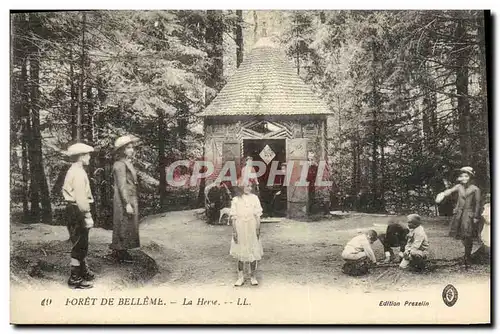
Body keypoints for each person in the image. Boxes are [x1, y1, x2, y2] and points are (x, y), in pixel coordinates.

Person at [62, 143, 96, 289]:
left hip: (74, 209)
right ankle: (74, 278)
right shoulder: (78, 173)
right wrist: (87, 215)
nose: (89, 157)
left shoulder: (75, 170)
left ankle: (82, 271)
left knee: (81, 242)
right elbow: (81, 197)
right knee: (80, 244)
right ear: (81, 156)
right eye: (87, 154)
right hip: (78, 210)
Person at [435, 166, 481, 267]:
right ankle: (466, 255)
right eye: (462, 176)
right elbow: (450, 191)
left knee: (468, 235)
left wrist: (476, 216)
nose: (464, 178)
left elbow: (478, 203)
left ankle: (467, 256)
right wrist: (442, 194)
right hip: (459, 213)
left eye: (466, 176)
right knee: (461, 235)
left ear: (470, 177)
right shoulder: (459, 186)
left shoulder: (475, 189)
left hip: (468, 214)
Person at [110, 135, 141, 263]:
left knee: (129, 224)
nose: (131, 150)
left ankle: (123, 250)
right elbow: (122, 186)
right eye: (128, 148)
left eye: (132, 147)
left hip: (130, 196)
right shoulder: (119, 165)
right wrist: (127, 203)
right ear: (122, 150)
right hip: (123, 198)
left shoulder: (127, 163)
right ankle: (119, 251)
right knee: (122, 223)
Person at [229, 179, 264, 286]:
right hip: (240, 228)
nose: (248, 188)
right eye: (246, 186)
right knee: (241, 252)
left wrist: (258, 228)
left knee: (253, 250)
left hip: (251, 227)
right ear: (240, 187)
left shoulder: (255, 198)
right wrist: (234, 231)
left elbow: (257, 215)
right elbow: (234, 217)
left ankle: (252, 276)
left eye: (250, 186)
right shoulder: (235, 200)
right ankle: (240, 277)